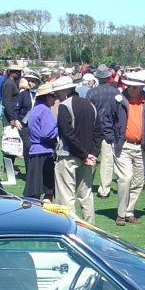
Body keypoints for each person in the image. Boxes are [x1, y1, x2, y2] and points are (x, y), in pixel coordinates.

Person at [103, 70, 145, 225]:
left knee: (138, 182)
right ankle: (121, 213)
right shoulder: (118, 100)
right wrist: (112, 139)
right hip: (123, 146)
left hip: (142, 147)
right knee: (125, 179)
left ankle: (129, 211)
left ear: (141, 87)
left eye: (134, 87)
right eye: (129, 86)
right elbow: (107, 120)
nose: (131, 89)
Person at [53, 76, 100, 224]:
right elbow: (98, 132)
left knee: (66, 197)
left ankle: (70, 228)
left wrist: (85, 154)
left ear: (65, 91)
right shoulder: (90, 105)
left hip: (68, 156)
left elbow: (67, 134)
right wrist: (92, 154)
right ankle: (91, 227)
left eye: (57, 94)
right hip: (86, 156)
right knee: (86, 195)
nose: (56, 98)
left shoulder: (64, 106)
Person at [88, 64, 120, 198]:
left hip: (94, 130)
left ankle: (86, 185)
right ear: (108, 77)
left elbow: (88, 112)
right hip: (110, 130)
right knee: (107, 161)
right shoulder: (116, 92)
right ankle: (104, 189)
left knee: (92, 158)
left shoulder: (91, 92)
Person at [24, 82, 58, 200]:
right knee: (48, 190)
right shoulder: (45, 110)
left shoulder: (35, 109)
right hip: (45, 153)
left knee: (33, 191)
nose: (55, 99)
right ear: (47, 96)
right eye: (54, 96)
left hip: (34, 152)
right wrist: (59, 129)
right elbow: (47, 133)